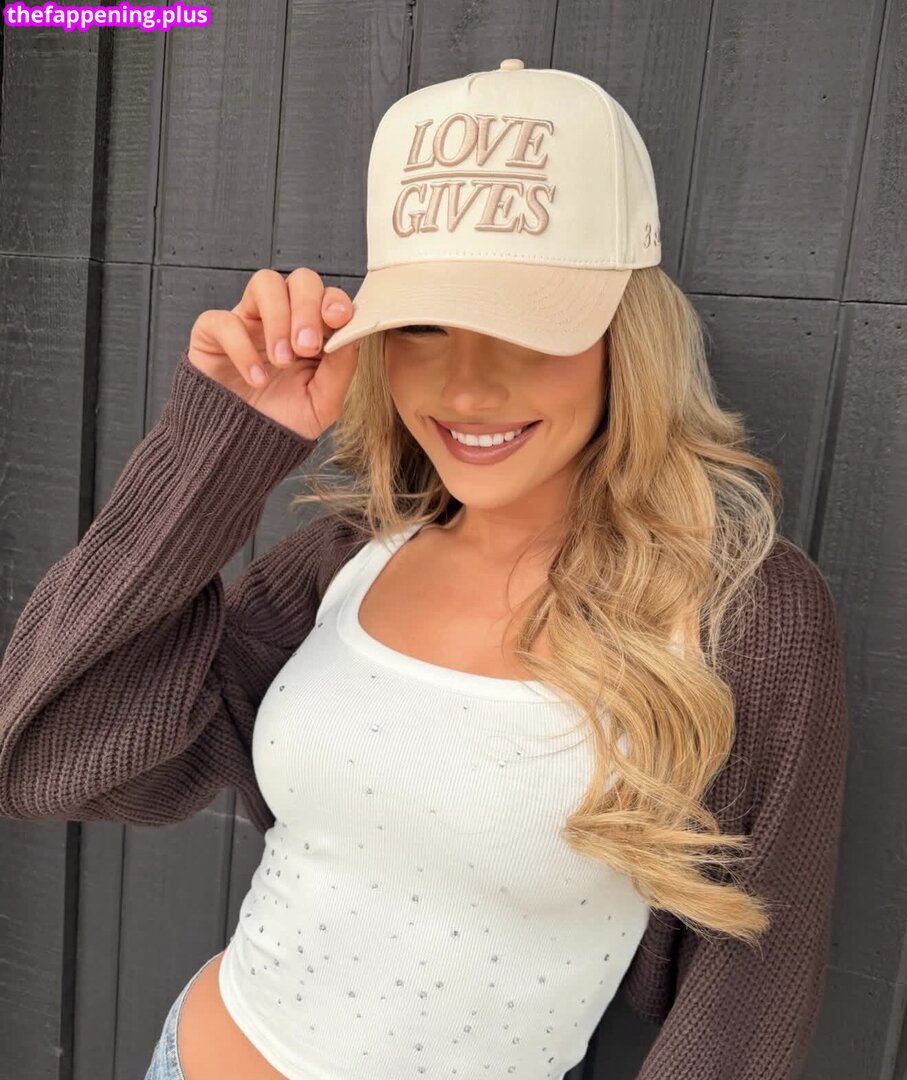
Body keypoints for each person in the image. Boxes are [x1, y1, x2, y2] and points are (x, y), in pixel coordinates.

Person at [0, 61, 848, 1080]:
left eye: (526, 328)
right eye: (421, 327)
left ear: (627, 337)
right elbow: (48, 754)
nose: (468, 388)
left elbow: (749, 994)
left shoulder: (740, 614)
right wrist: (218, 452)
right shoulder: (347, 559)